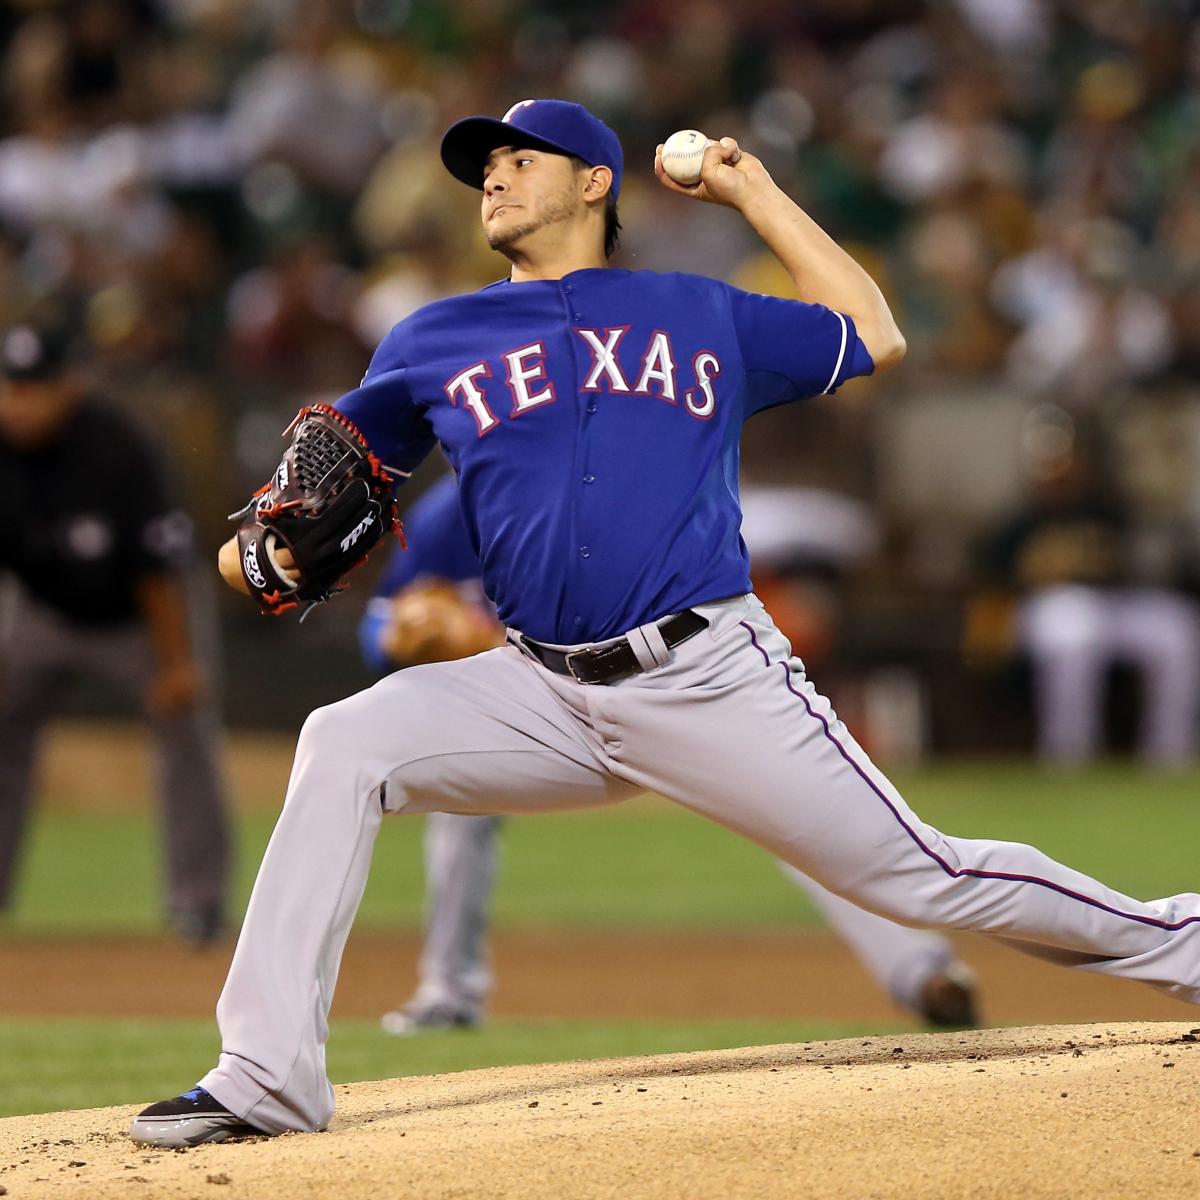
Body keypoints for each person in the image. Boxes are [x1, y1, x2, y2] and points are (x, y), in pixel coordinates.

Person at [130, 99, 1200, 1148]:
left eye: (520, 157)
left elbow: (875, 333)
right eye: (483, 165)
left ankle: (1187, 944)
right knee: (343, 741)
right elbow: (290, 516)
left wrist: (755, 192)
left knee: (924, 873)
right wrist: (258, 555)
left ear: (595, 181)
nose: (493, 175)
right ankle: (264, 1077)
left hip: (708, 677)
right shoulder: (432, 335)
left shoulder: (698, 309)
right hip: (538, 688)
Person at [364, 474, 976, 1036]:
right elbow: (381, 623)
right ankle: (449, 992)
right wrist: (402, 632)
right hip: (541, 709)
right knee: (459, 815)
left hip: (664, 690)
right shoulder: (452, 513)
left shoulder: (612, 489)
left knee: (793, 805)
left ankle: (918, 969)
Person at [0, 320, 232, 942]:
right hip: (42, 612)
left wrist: (177, 664)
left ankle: (198, 900)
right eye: (10, 387)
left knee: (184, 727)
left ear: (68, 388)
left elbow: (159, 566)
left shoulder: (117, 447)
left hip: (141, 614)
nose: (19, 402)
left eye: (34, 388)